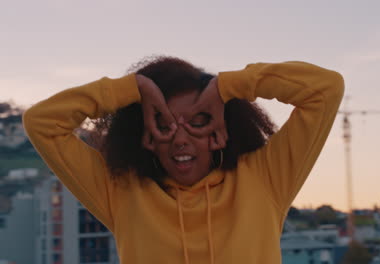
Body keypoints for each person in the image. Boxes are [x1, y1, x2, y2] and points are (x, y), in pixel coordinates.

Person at [23, 56, 344, 264]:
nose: (180, 138)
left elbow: (325, 90)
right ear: (143, 135)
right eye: (163, 125)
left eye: (198, 121)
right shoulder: (120, 193)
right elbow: (42, 123)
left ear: (222, 126)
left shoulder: (265, 177)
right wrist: (131, 89)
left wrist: (228, 86)